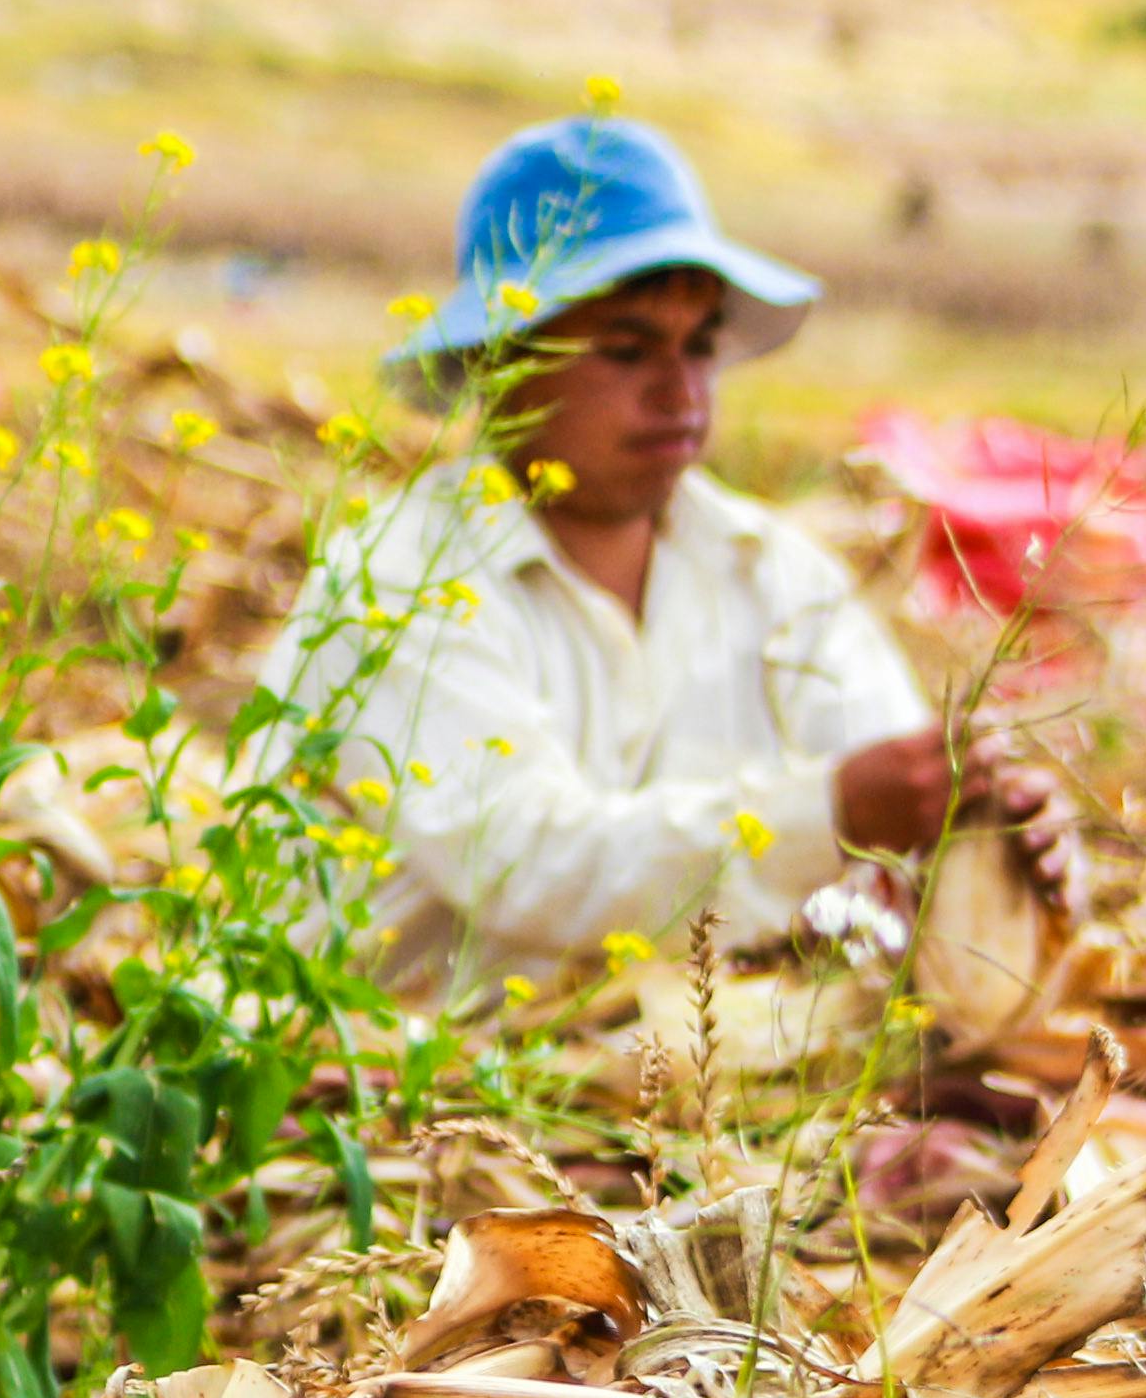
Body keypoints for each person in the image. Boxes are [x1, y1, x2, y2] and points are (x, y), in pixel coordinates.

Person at [261, 111, 1074, 991]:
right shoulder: (396, 588)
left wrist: (996, 836)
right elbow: (525, 863)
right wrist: (831, 814)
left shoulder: (773, 575)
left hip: (687, 1071)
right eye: (626, 350)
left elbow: (902, 796)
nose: (679, 390)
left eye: (699, 347)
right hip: (412, 1089)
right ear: (500, 363)